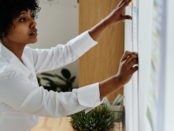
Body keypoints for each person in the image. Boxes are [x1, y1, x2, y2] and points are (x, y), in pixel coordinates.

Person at [0, 0, 138, 130]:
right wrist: (118, 80)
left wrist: (107, 22)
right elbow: (53, 103)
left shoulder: (24, 54)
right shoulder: (5, 74)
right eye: (22, 19)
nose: (33, 23)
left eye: (31, 15)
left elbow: (64, 53)